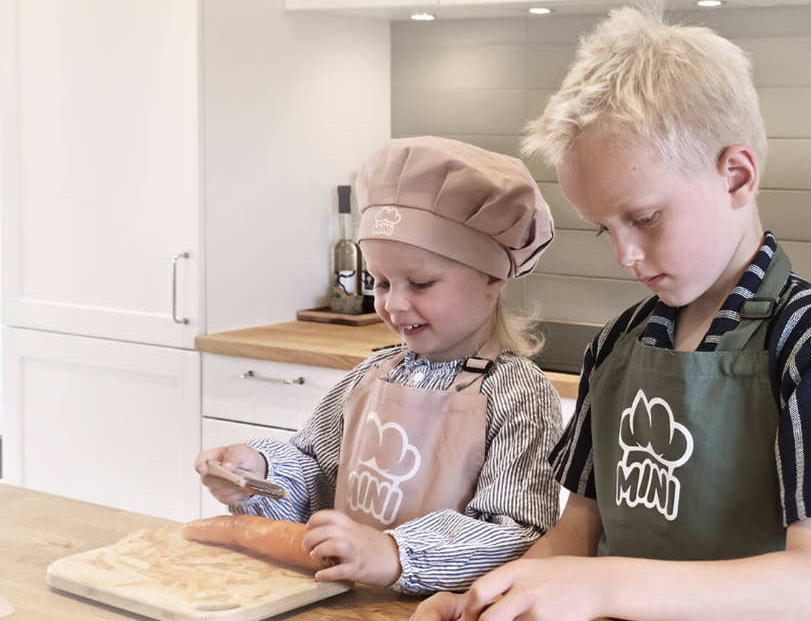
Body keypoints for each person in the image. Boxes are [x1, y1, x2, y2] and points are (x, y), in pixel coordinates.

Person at [406, 6, 811, 621]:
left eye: (645, 218)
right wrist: (484, 602)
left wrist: (605, 584)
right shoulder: (618, 344)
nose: (624, 254)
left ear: (736, 176)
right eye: (606, 228)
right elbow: (576, 533)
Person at [195, 135, 563, 594]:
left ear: (493, 278)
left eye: (420, 283)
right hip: (343, 611)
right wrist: (259, 475)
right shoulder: (371, 375)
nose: (394, 303)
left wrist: (394, 553)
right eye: (382, 282)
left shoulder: (519, 395)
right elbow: (314, 481)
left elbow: (516, 535)